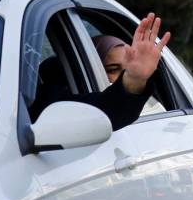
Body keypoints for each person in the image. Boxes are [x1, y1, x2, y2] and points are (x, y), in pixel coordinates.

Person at [30, 13, 171, 130]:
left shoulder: (137, 100)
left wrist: (135, 78)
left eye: (126, 70)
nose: (120, 77)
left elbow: (110, 111)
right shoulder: (36, 100)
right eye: (112, 69)